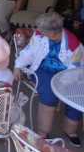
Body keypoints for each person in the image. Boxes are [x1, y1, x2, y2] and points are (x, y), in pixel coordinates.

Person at [14, 12, 84, 147]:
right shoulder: (40, 35)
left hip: (69, 74)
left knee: (76, 95)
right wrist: (18, 65)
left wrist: (63, 84)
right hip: (43, 69)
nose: (38, 31)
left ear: (52, 33)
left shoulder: (73, 44)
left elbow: (75, 68)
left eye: (42, 30)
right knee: (49, 93)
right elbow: (29, 52)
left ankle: (70, 130)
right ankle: (42, 132)